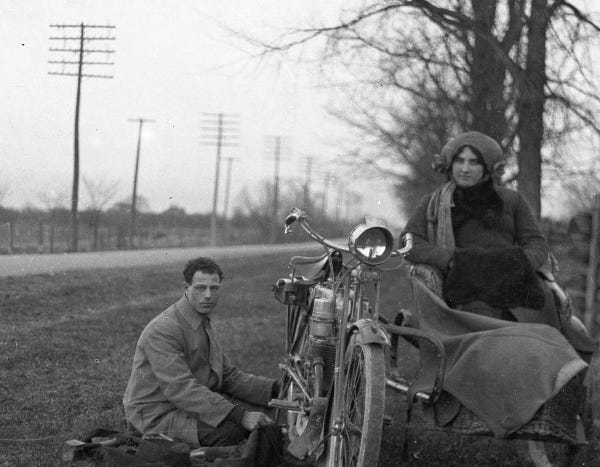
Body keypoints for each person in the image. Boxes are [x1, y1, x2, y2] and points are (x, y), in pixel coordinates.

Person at [402, 130, 560, 326]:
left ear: (487, 168)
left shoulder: (512, 200)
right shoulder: (435, 202)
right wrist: (449, 259)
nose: (465, 169)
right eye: (459, 161)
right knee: (481, 316)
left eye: (474, 162)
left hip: (511, 277)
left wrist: (519, 263)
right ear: (450, 165)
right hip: (463, 281)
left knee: (549, 312)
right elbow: (408, 243)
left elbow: (536, 242)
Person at [123, 257, 278, 448]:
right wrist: (241, 416)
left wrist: (276, 389)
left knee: (269, 414)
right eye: (200, 288)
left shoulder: (202, 320)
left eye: (214, 288)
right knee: (234, 432)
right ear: (186, 288)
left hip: (187, 406)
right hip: (156, 414)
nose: (208, 295)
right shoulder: (163, 329)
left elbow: (227, 375)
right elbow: (181, 389)